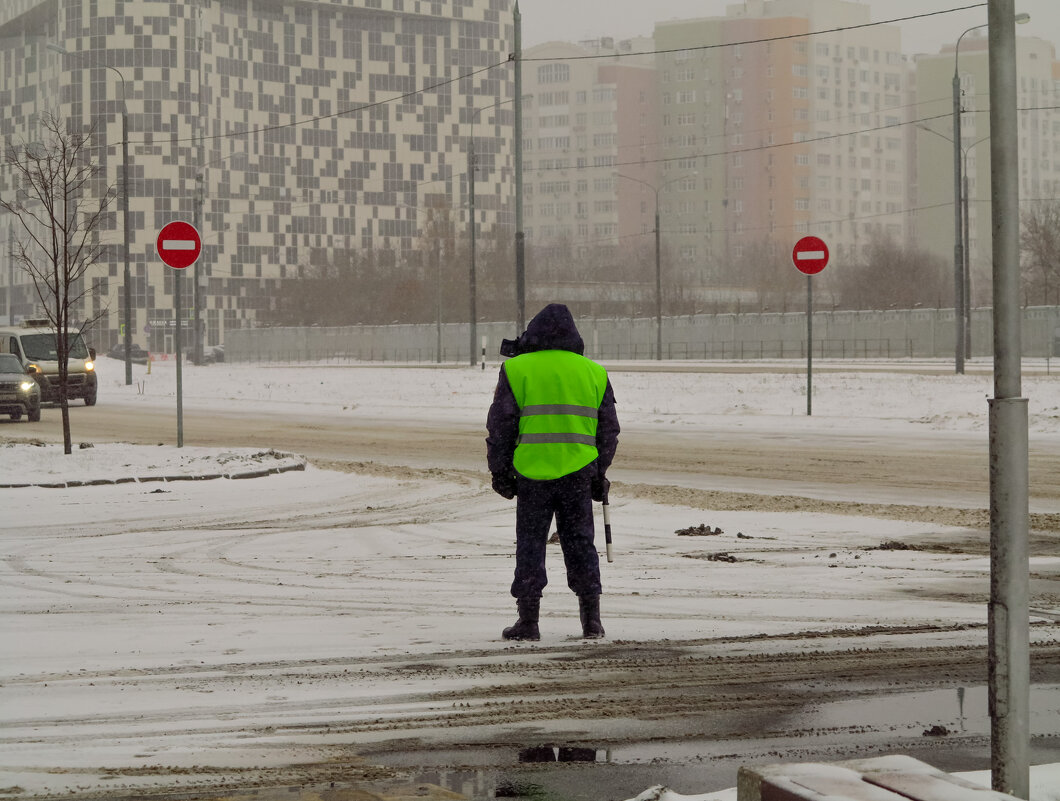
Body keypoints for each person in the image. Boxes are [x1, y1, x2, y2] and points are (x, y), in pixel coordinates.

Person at [486, 303, 620, 641]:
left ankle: (528, 621)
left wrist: (500, 472)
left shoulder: (518, 370)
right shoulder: (594, 372)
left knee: (531, 545)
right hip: (577, 475)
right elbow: (608, 430)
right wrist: (598, 471)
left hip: (532, 477)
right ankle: (592, 619)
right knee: (580, 545)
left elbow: (501, 427)